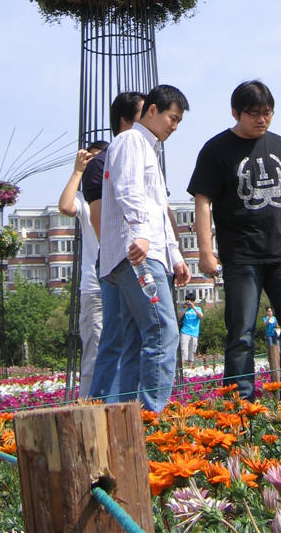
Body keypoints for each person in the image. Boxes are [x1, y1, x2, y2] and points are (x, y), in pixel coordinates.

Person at [188, 79, 281, 401]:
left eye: (268, 113)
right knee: (241, 333)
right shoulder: (215, 149)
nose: (262, 120)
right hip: (241, 257)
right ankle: (241, 402)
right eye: (254, 113)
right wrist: (207, 252)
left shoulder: (280, 145)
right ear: (236, 113)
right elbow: (202, 202)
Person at [99, 84, 191, 412]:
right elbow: (129, 189)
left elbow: (159, 210)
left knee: (137, 339)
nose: (175, 126)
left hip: (148, 253)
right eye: (173, 118)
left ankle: (124, 421)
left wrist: (176, 256)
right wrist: (138, 233)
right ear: (151, 110)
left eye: (179, 121)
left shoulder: (147, 148)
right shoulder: (130, 141)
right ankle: (152, 416)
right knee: (163, 330)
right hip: (139, 254)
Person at [86, 92, 144, 402]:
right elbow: (98, 218)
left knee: (135, 331)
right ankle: (103, 403)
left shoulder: (144, 154)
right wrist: (116, 256)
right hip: (118, 257)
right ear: (125, 119)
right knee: (117, 333)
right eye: (143, 112)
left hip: (140, 253)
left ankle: (129, 404)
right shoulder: (101, 162)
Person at [57, 142, 108, 398]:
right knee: (95, 352)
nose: (96, 166)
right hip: (95, 287)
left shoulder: (118, 193)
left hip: (121, 283)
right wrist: (78, 171)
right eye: (91, 161)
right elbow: (65, 206)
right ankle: (89, 406)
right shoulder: (84, 200)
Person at [179, 292, 203, 367]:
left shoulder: (198, 309)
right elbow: (179, 316)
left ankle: (190, 367)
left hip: (194, 333)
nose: (189, 303)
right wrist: (186, 307)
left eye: (191, 301)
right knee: (184, 350)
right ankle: (182, 368)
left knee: (192, 351)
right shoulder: (183, 309)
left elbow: (201, 316)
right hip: (185, 332)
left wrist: (193, 307)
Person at [263, 307, 281, 382]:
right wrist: (268, 318)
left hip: (275, 334)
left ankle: (278, 356)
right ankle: (271, 357)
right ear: (267, 312)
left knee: (277, 345)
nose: (270, 312)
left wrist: (278, 327)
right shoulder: (265, 318)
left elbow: (277, 324)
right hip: (269, 334)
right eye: (268, 311)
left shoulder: (275, 318)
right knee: (270, 346)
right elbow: (265, 324)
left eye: (271, 311)